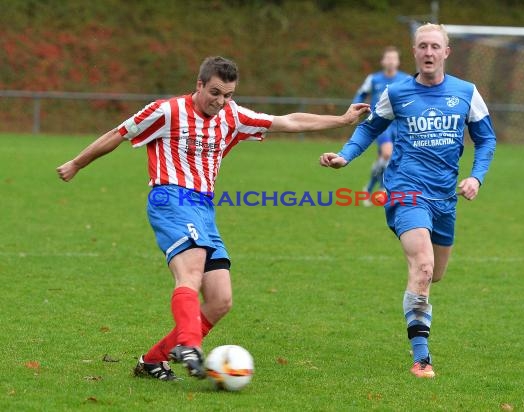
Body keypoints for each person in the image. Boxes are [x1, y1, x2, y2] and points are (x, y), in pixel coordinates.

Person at [57, 56, 369, 381]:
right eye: (215, 93)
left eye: (228, 95)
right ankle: (189, 345)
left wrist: (342, 120)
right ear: (200, 84)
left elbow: (287, 121)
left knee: (220, 300)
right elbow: (119, 134)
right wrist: (78, 163)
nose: (220, 102)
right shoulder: (167, 111)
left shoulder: (232, 115)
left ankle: (153, 360)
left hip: (204, 208)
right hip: (171, 198)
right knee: (189, 274)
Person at [319, 24, 496, 378]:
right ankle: (422, 358)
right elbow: (369, 127)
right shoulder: (397, 92)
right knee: (424, 266)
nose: (428, 52)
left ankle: (419, 300)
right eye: (422, 46)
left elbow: (486, 139)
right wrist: (345, 155)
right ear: (414, 52)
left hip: (444, 195)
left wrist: (476, 176)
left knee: (436, 274)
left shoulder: (466, 92)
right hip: (405, 189)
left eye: (435, 46)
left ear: (446, 52)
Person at [352, 47, 409, 205]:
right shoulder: (374, 79)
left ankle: (369, 189)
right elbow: (361, 94)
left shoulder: (406, 79)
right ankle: (383, 189)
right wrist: (356, 108)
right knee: (387, 153)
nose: (391, 61)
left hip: (399, 124)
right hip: (380, 124)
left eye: (394, 58)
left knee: (388, 158)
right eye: (388, 58)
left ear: (398, 62)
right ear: (383, 61)